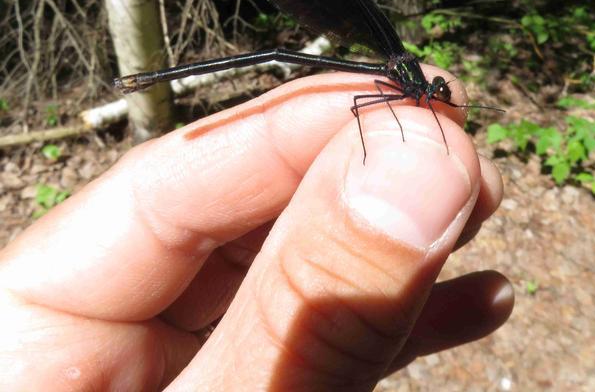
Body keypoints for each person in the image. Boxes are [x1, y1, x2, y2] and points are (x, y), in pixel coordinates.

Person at [0, 66, 513, 390]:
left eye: (436, 91)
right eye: (435, 89)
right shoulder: (401, 83)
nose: (436, 91)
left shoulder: (410, 86)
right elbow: (363, 107)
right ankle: (143, 80)